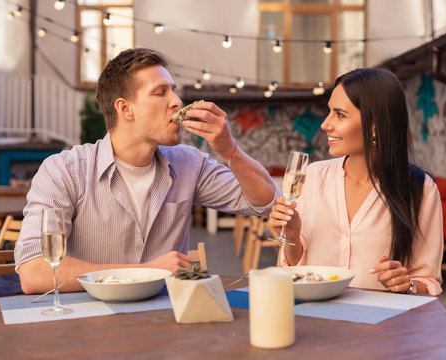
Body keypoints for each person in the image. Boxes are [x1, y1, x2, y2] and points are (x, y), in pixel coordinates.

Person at [15, 47, 278, 294]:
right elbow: (34, 271)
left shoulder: (190, 164)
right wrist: (146, 272)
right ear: (125, 108)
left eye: (173, 91)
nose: (177, 101)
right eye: (161, 92)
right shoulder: (65, 171)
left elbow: (266, 201)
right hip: (92, 324)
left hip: (166, 322)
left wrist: (229, 149)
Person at [268, 68, 443, 295]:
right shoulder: (312, 178)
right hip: (316, 316)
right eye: (329, 112)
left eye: (339, 115)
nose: (325, 124)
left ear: (374, 125)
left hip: (379, 323)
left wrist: (407, 285)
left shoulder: (421, 190)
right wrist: (291, 236)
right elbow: (293, 266)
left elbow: (427, 281)